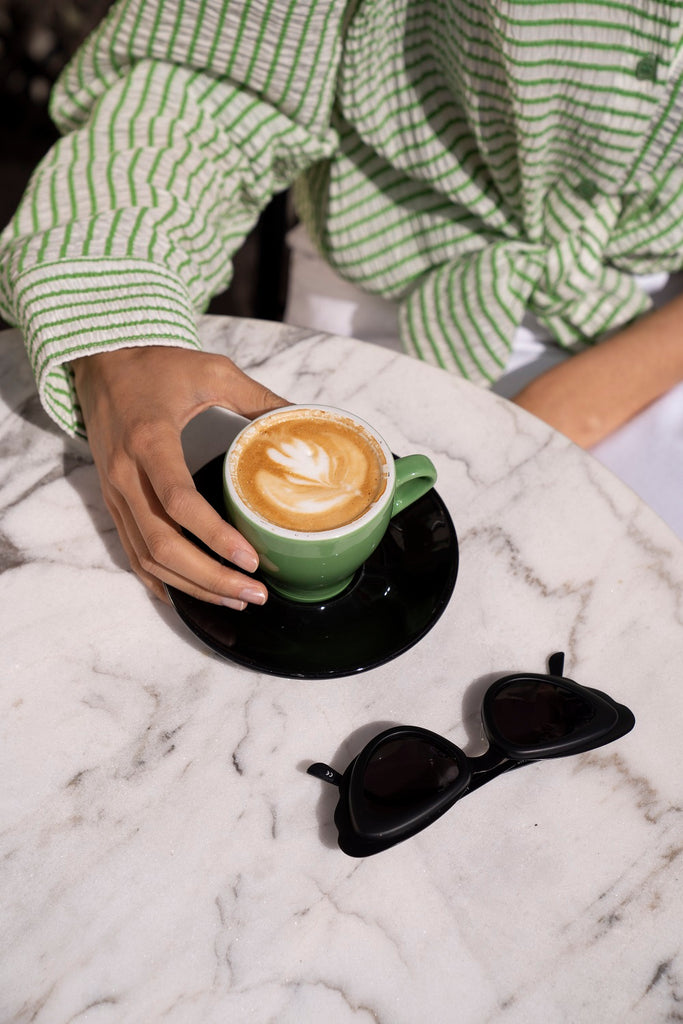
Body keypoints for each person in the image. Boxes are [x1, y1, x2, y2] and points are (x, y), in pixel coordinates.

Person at [2, 0, 683, 609]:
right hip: (385, 272)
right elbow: (211, 74)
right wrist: (116, 328)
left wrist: (565, 408)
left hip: (651, 327)